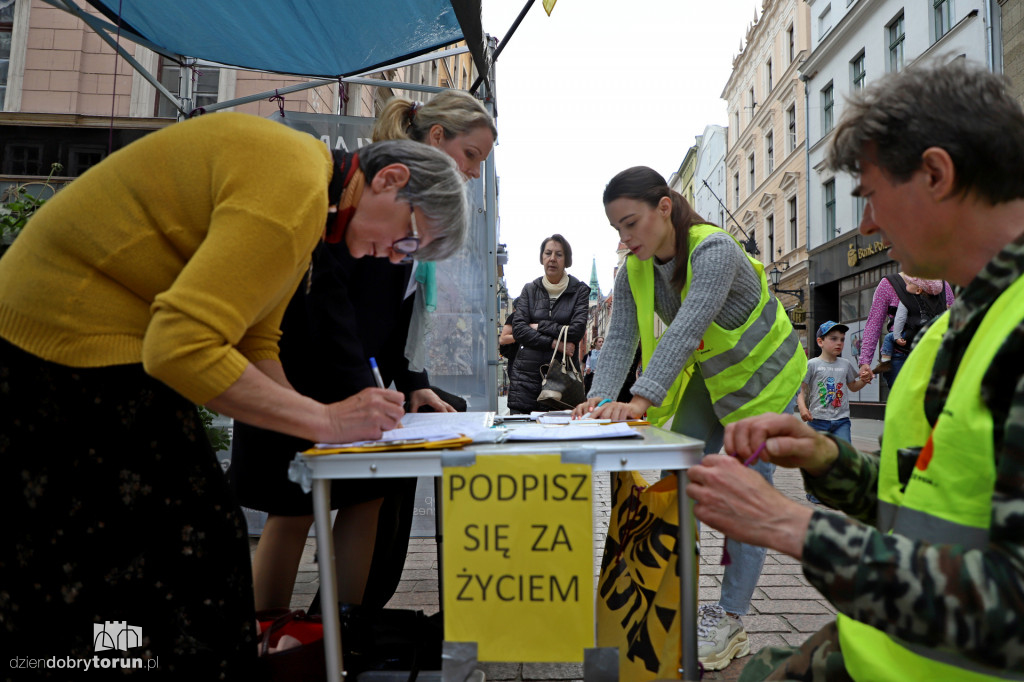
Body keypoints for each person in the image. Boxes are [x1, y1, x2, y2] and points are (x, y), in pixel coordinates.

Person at [0, 112, 469, 676]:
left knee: (172, 553)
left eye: (409, 255)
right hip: (62, 339)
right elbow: (182, 346)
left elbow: (255, 341)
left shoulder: (311, 201)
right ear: (390, 179)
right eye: (409, 238)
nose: (394, 257)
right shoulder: (294, 186)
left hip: (89, 336)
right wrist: (324, 422)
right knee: (178, 557)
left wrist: (322, 422)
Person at [685, 59, 1024, 681]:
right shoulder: (959, 322)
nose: (865, 224)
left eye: (869, 196)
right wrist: (826, 461)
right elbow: (923, 506)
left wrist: (790, 525)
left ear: (936, 173)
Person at [232, 90, 496, 616]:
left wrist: (410, 379)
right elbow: (325, 305)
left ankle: (340, 632)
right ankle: (271, 640)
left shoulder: (402, 199)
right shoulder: (363, 191)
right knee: (295, 507)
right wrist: (361, 387)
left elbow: (394, 312)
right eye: (470, 156)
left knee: (364, 495)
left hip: (353, 375)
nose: (472, 173)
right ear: (436, 138)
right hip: (298, 369)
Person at [573, 166, 807, 671]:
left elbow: (687, 326)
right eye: (616, 229)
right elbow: (620, 340)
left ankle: (729, 618)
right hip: (714, 377)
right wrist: (598, 401)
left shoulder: (714, 249)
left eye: (631, 224)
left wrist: (640, 400)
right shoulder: (633, 268)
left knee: (744, 491)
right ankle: (678, 592)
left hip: (766, 379)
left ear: (664, 207)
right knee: (681, 472)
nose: (625, 239)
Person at [506, 234, 590, 414]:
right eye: (548, 253)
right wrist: (556, 344)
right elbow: (519, 331)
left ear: (566, 259)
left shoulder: (579, 291)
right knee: (523, 437)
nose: (552, 258)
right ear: (542, 258)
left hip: (562, 382)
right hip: (526, 381)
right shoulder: (529, 289)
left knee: (561, 437)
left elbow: (576, 331)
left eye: (559, 254)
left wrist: (538, 326)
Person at [798, 321, 871, 504]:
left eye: (842, 339)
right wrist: (803, 408)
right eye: (833, 339)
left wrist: (865, 380)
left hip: (841, 421)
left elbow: (853, 387)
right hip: (818, 420)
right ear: (820, 342)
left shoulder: (845, 364)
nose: (839, 343)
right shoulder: (812, 364)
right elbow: (801, 390)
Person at [858, 271, 953, 386]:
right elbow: (874, 324)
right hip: (901, 357)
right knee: (903, 402)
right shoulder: (889, 284)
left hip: (936, 357)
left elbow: (954, 322)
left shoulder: (943, 285)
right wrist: (865, 361)